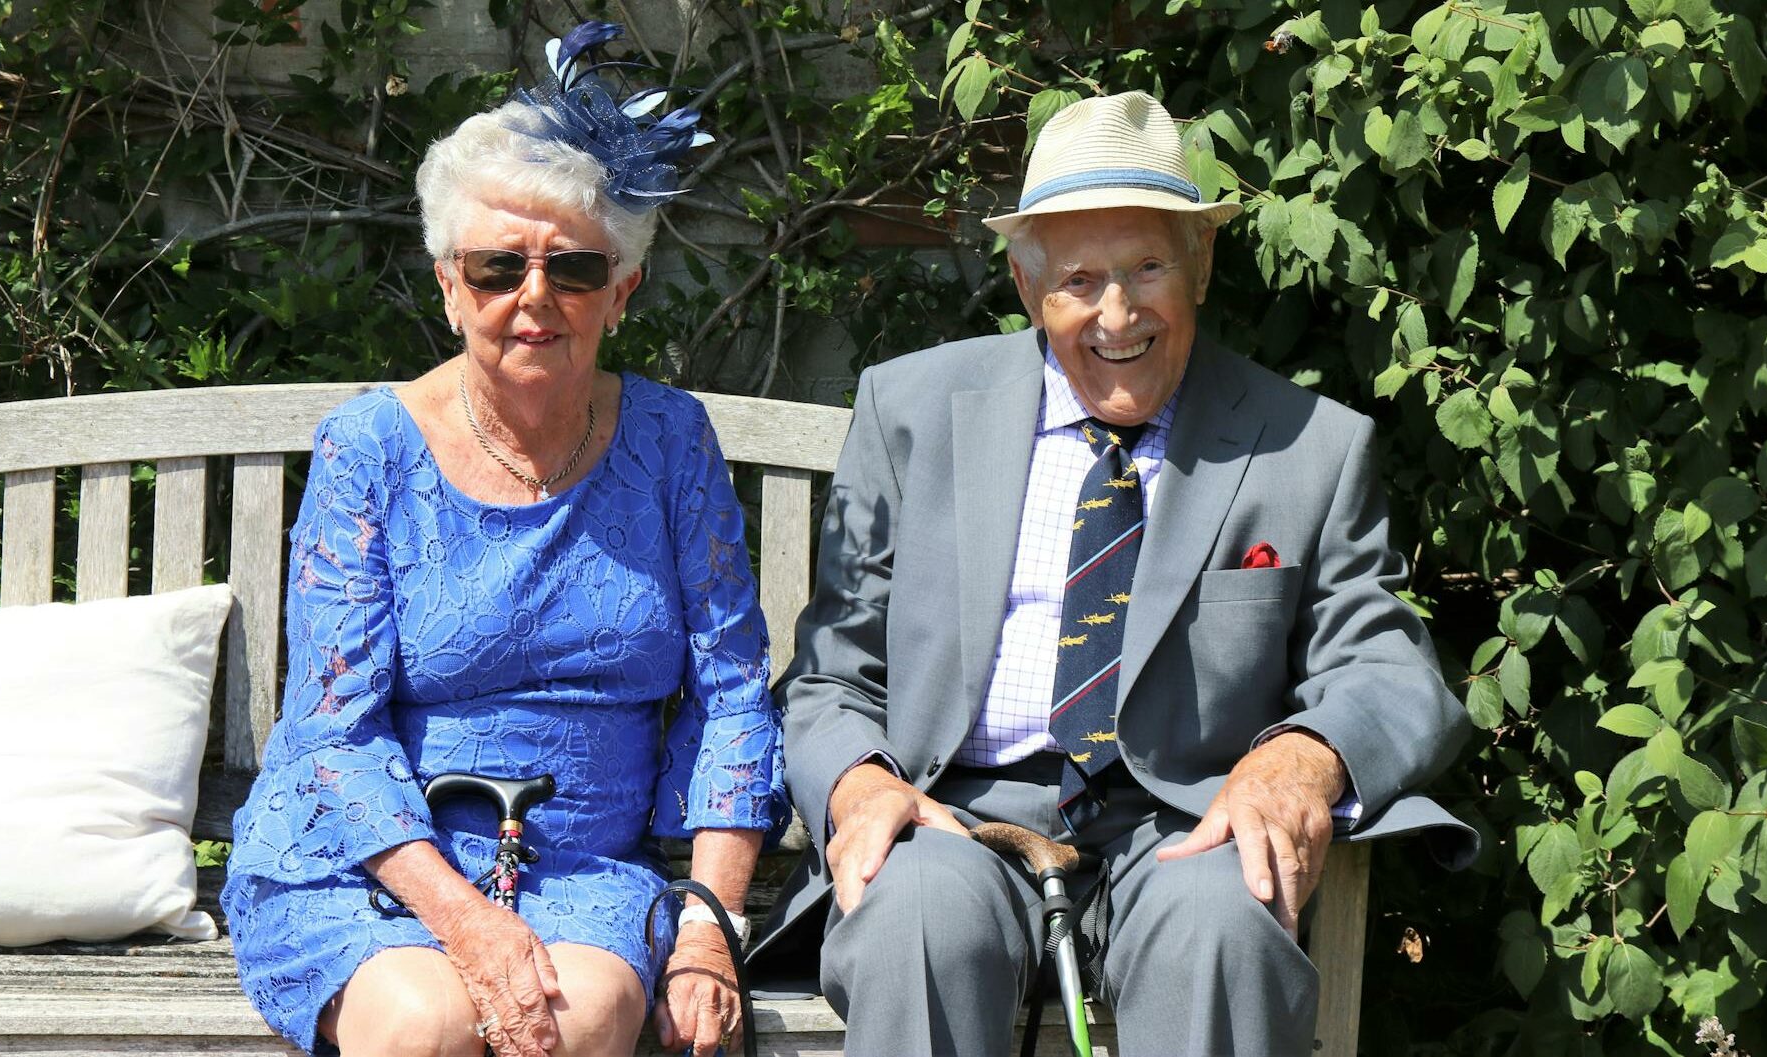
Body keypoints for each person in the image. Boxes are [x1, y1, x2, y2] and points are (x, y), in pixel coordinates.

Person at [755, 92, 1475, 1056]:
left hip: (1186, 826)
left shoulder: (1307, 445)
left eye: (1147, 268)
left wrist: (1302, 757)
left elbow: (1385, 668)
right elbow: (833, 670)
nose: (1118, 313)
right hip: (961, 816)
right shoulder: (915, 409)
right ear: (1025, 283)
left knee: (1225, 925)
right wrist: (856, 783)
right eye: (1081, 279)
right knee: (914, 913)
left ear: (1202, 265)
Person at [222, 24, 782, 1057]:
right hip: (372, 862)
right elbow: (331, 733)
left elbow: (731, 692)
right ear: (447, 283)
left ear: (621, 291)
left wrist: (708, 921)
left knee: (585, 1017)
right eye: (495, 266)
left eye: (572, 268)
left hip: (580, 869)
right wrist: (466, 921)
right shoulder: (369, 449)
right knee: (425, 1021)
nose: (533, 297)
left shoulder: (668, 440)